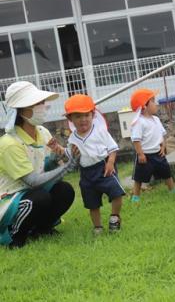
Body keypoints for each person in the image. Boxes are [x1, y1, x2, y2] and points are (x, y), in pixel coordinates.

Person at [0, 81, 77, 248]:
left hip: (32, 193)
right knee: (39, 197)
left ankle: (41, 229)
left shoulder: (42, 132)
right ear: (21, 110)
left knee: (64, 190)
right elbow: (33, 181)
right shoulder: (9, 143)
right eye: (36, 103)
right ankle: (15, 235)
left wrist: (56, 159)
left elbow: (44, 168)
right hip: (10, 198)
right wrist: (66, 166)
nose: (42, 106)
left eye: (41, 102)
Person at [64, 94, 125, 235]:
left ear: (92, 115)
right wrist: (60, 150)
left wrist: (110, 163)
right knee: (92, 203)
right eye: (78, 116)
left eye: (87, 115)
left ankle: (114, 217)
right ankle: (97, 227)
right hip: (86, 173)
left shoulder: (100, 131)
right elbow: (71, 154)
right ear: (70, 119)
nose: (83, 119)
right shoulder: (73, 138)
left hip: (104, 167)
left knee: (116, 193)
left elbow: (113, 148)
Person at [129, 89, 175, 203]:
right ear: (144, 106)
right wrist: (140, 154)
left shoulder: (156, 119)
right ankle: (135, 196)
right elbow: (136, 140)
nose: (156, 104)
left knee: (166, 171)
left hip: (158, 153)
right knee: (139, 177)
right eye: (153, 101)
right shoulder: (139, 122)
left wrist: (163, 146)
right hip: (145, 156)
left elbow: (161, 135)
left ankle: (172, 189)